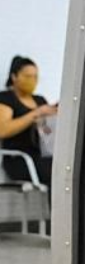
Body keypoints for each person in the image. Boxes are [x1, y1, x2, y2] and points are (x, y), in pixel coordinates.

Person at [0, 56, 57, 191]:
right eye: (27, 76)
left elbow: (47, 132)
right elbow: (3, 130)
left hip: (43, 153)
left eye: (35, 77)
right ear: (14, 77)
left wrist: (50, 116)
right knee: (54, 171)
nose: (32, 80)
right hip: (19, 158)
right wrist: (35, 114)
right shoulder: (6, 99)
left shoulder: (39, 100)